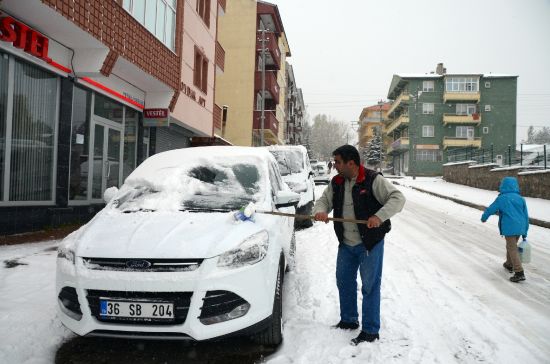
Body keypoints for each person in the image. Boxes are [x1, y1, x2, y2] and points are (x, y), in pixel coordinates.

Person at [313, 145, 405, 345]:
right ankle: (349, 320)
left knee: (370, 287)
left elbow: (398, 198)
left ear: (351, 163)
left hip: (369, 244)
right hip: (346, 244)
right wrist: (320, 211)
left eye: (338, 162)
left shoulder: (372, 179)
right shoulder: (337, 182)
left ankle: (371, 330)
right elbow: (323, 201)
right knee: (344, 281)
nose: (334, 165)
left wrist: (378, 217)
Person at [481, 176, 529, 283]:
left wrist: (484, 217)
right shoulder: (520, 199)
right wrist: (525, 230)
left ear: (503, 186)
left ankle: (519, 272)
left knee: (512, 248)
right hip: (520, 227)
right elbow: (526, 216)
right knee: (511, 246)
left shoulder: (502, 198)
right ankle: (509, 264)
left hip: (509, 227)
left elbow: (491, 209)